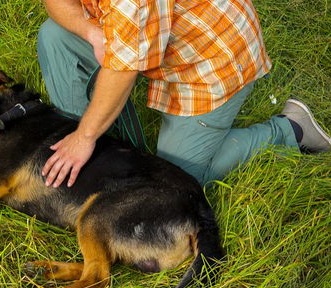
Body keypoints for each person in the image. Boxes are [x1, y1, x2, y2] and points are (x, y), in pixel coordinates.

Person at [38, 0, 331, 188]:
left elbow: (122, 70)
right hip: (153, 33)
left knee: (171, 180)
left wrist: (86, 136)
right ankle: (93, 150)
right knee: (55, 36)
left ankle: (289, 130)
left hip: (211, 62)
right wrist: (91, 33)